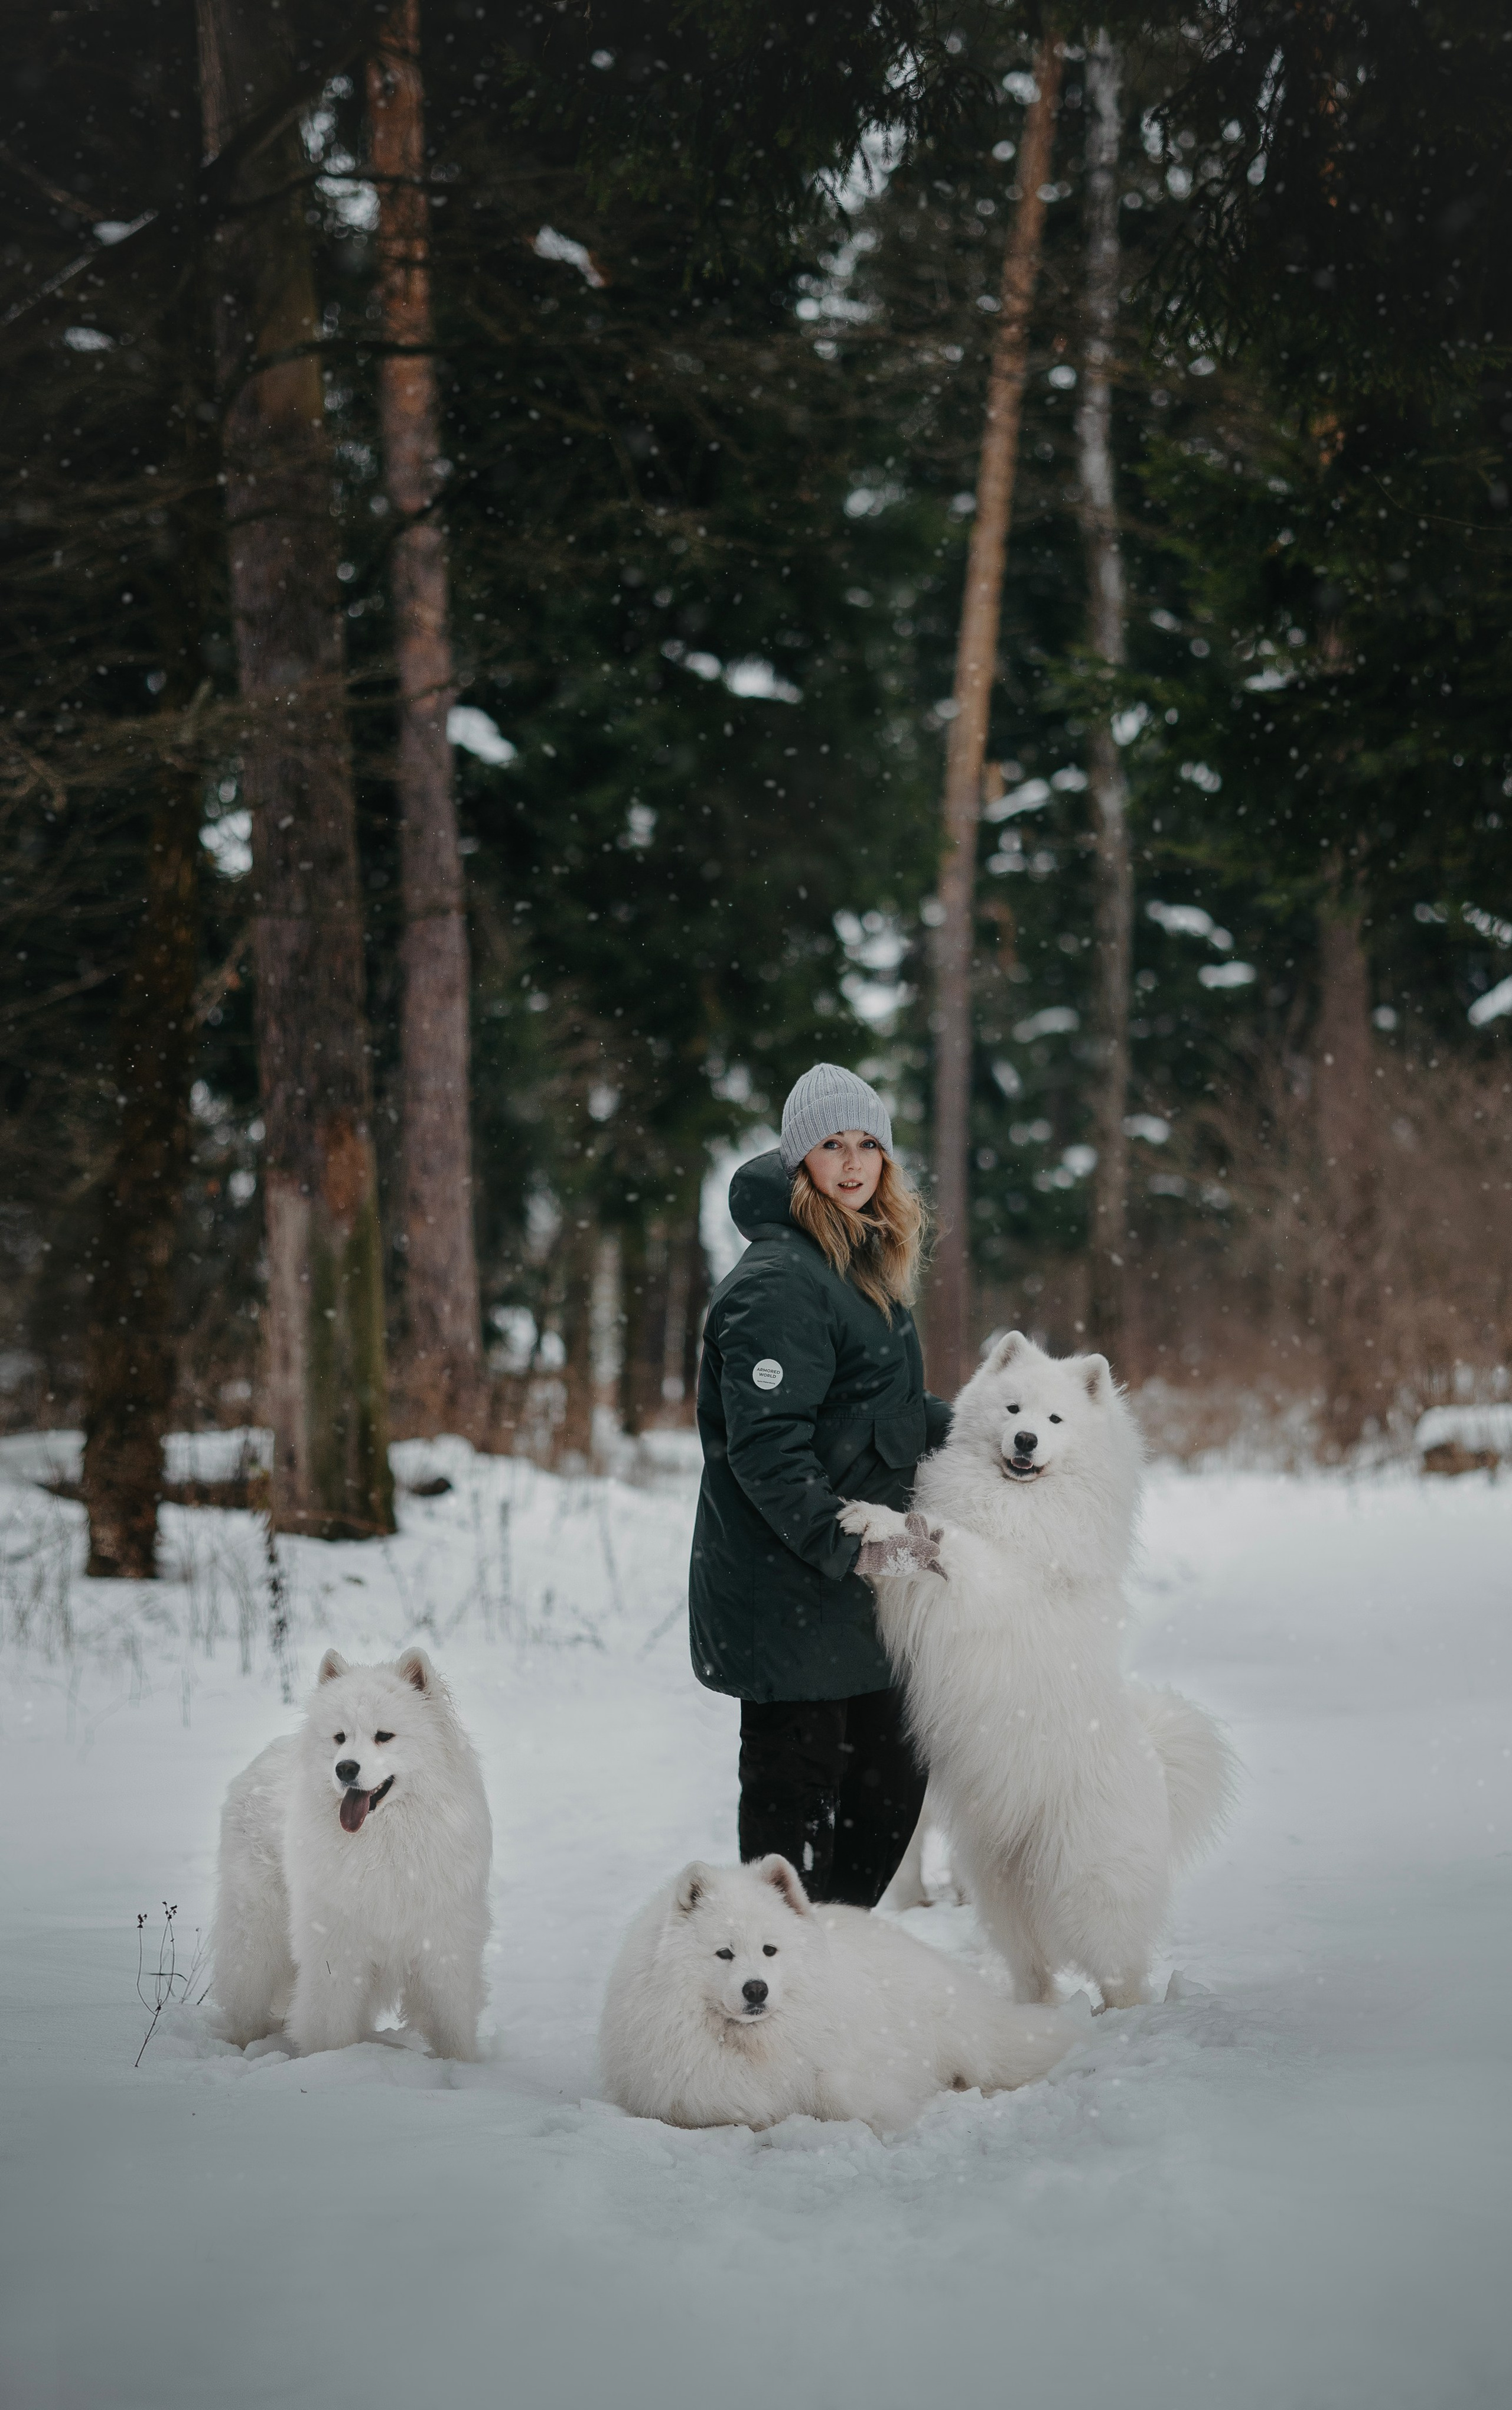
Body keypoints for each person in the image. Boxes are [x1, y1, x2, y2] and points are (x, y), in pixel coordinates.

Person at [689, 1063, 953, 1908]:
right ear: (799, 1159)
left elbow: (880, 1414)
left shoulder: (855, 1266)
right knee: (795, 1848)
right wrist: (862, 1542)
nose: (852, 1163)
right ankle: (783, 2001)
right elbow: (766, 1453)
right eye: (831, 1145)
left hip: (856, 1599)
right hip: (790, 1602)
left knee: (888, 1795)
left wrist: (989, 1426)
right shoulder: (780, 1281)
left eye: (868, 1144)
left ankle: (834, 1980)